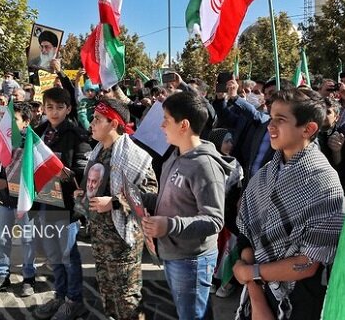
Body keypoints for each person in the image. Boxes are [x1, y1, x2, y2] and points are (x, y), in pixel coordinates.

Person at [232, 88, 345, 320]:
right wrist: (255, 293)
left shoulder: (325, 183)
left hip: (300, 303)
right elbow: (246, 237)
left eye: (280, 120)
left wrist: (251, 274)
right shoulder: (264, 174)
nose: (270, 126)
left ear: (309, 128)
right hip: (260, 294)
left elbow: (309, 262)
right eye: (271, 118)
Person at [142, 91, 232, 320]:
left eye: (166, 119)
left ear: (183, 125)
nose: (161, 125)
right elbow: (171, 200)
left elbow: (214, 220)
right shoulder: (174, 155)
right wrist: (139, 198)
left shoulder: (204, 166)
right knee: (191, 312)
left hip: (192, 260)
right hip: (174, 254)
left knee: (192, 315)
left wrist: (169, 225)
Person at [78, 98, 158, 320]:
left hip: (123, 240)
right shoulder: (97, 151)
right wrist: (83, 194)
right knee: (108, 293)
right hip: (100, 238)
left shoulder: (135, 155)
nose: (91, 124)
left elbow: (150, 193)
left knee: (127, 298)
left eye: (97, 119)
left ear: (113, 123)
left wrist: (113, 202)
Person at [32, 87, 91, 320]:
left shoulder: (76, 134)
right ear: (43, 108)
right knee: (53, 255)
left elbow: (83, 170)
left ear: (68, 108)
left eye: (59, 107)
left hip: (65, 206)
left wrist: (63, 173)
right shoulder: (37, 133)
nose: (54, 112)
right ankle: (60, 295)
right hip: (42, 203)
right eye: (49, 107)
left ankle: (74, 300)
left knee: (68, 256)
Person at [0, 103, 37, 298]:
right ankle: (2, 276)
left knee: (28, 240)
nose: (9, 124)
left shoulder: (32, 143)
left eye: (14, 120)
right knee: (3, 239)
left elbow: (33, 177)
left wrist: (9, 184)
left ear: (26, 122)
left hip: (25, 202)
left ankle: (29, 277)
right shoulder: (4, 140)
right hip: (5, 201)